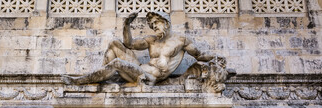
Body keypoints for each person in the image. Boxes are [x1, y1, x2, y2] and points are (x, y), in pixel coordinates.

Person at [63, 11, 225, 86]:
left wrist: (216, 58)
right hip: (139, 70)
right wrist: (126, 25)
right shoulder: (151, 40)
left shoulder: (181, 41)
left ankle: (80, 81)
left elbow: (200, 55)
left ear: (166, 23)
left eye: (156, 23)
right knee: (114, 43)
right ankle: (100, 79)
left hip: (151, 77)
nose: (153, 27)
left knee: (117, 63)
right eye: (152, 25)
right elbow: (129, 44)